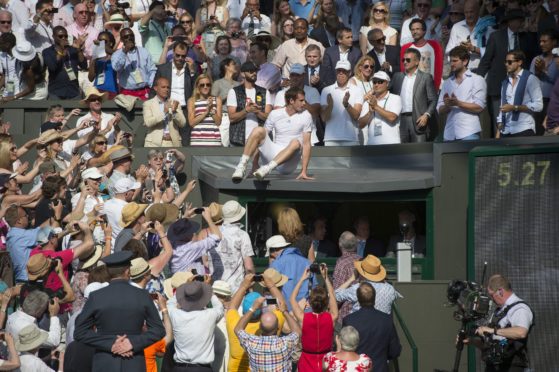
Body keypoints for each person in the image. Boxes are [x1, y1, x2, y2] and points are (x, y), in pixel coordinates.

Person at [74, 251, 165, 371]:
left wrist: (110, 344)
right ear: (128, 271)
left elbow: (80, 332)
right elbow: (158, 330)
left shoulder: (96, 296)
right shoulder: (142, 295)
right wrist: (132, 343)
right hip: (134, 361)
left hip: (105, 362)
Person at [475, 9, 539, 136]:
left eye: (521, 20)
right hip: (498, 85)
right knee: (499, 121)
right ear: (509, 22)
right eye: (516, 20)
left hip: (520, 87)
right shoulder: (496, 36)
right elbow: (486, 60)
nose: (519, 23)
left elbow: (532, 60)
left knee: (519, 120)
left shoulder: (527, 38)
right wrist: (476, 81)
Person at [231, 87, 313, 181]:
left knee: (296, 142)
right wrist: (255, 164)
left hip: (288, 164)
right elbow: (259, 140)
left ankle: (267, 168)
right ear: (291, 101)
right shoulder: (275, 114)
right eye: (301, 100)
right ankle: (241, 166)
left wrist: (304, 171)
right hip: (273, 154)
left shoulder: (306, 115)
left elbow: (306, 144)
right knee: (259, 130)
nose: (304, 103)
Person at [466, 274, 533, 372]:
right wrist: (473, 341)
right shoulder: (499, 311)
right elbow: (494, 343)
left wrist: (492, 330)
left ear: (500, 291)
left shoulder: (520, 308)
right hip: (494, 366)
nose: (492, 299)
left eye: (492, 295)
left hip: (511, 367)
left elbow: (521, 332)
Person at [225, 272, 288, 370]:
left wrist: (244, 286)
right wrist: (271, 285)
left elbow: (232, 307)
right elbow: (282, 304)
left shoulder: (234, 323)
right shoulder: (269, 324)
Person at [342, 283, 401, 372]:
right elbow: (395, 351)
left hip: (356, 368)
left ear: (358, 298)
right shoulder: (386, 320)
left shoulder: (349, 320)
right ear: (374, 298)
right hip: (380, 368)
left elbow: (344, 349)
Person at [234, 293, 301, 371]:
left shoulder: (251, 343)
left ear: (260, 327)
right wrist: (284, 311)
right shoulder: (285, 343)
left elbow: (238, 329)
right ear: (278, 327)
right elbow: (297, 332)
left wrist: (253, 308)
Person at [167, 281, 224, 371]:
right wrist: (211, 293)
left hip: (179, 368)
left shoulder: (175, 315)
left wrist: (185, 288)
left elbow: (169, 303)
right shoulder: (210, 315)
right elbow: (219, 307)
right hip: (202, 369)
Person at [290, 265, 337, 371]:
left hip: (306, 361)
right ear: (326, 304)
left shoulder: (303, 318)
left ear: (310, 303)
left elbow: (292, 299)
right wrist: (325, 278)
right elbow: (333, 295)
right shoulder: (332, 317)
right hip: (326, 362)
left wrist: (302, 279)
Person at [437, 46, 487, 141]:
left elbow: (479, 107)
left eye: (455, 61)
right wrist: (447, 106)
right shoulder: (447, 83)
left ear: (465, 61)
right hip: (449, 134)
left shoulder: (477, 80)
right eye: (450, 61)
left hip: (469, 132)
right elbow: (439, 110)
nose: (451, 64)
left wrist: (458, 103)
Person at [391, 48, 438, 143]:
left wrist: (426, 115)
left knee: (420, 153)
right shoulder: (397, 76)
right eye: (403, 60)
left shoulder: (426, 77)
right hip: (401, 121)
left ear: (417, 62)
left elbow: (433, 99)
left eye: (408, 60)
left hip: (418, 120)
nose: (404, 62)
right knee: (402, 154)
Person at [496, 50, 543, 138]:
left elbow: (539, 106)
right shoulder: (505, 81)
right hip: (506, 130)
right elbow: (502, 106)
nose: (506, 64)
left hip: (523, 129)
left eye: (509, 62)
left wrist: (515, 107)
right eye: (505, 62)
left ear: (519, 62)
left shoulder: (531, 79)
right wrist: (499, 126)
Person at [210, 200, 254, 292]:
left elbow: (206, 261)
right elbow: (249, 267)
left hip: (215, 287)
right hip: (235, 288)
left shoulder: (213, 234)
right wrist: (251, 284)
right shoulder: (242, 235)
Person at [335, 255, 401, 316]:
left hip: (359, 326)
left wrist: (351, 279)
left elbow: (335, 296)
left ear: (360, 272)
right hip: (382, 326)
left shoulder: (358, 288)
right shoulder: (390, 289)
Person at [227, 61, 272, 147]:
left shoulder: (264, 92)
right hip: (238, 139)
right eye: (250, 71)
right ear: (243, 74)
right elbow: (231, 118)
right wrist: (246, 110)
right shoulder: (234, 92)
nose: (254, 73)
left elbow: (269, 117)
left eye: (255, 71)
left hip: (260, 140)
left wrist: (257, 111)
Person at [320, 60, 363, 146]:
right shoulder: (326, 90)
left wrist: (346, 105)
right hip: (331, 139)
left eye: (344, 71)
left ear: (350, 73)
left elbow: (356, 116)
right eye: (339, 71)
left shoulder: (357, 90)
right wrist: (330, 106)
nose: (341, 73)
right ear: (335, 72)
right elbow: (324, 118)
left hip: (351, 138)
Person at [268, 234, 315, 310]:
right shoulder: (307, 262)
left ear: (274, 250)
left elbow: (270, 290)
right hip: (305, 311)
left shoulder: (276, 263)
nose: (272, 259)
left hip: (286, 312)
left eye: (271, 256)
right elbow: (314, 286)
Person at [42, 26, 87, 99]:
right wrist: (61, 50)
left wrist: (79, 49)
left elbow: (84, 66)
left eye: (65, 36)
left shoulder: (73, 50)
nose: (63, 38)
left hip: (74, 92)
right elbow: (53, 67)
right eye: (60, 36)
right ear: (53, 36)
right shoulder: (48, 51)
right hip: (56, 93)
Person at [358, 71, 402, 145]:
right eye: (374, 82)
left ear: (387, 83)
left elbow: (392, 117)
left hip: (391, 143)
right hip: (372, 144)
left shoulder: (395, 98)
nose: (376, 84)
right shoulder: (368, 101)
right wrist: (370, 113)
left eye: (380, 82)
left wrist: (376, 107)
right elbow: (360, 124)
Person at [112, 28, 157, 100]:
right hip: (127, 93)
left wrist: (150, 85)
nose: (129, 38)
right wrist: (124, 52)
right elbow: (116, 68)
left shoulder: (144, 51)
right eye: (126, 37)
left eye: (131, 36)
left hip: (145, 91)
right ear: (121, 40)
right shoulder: (117, 54)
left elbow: (152, 70)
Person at [445, 0, 491, 70]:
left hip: (481, 70)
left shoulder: (488, 27)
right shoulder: (456, 27)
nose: (469, 15)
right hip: (461, 71)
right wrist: (460, 49)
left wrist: (474, 49)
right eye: (466, 12)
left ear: (478, 11)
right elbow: (448, 52)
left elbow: (492, 53)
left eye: (471, 12)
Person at [400, 18, 444, 90]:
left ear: (424, 31)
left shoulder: (434, 45)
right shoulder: (405, 48)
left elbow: (439, 68)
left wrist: (435, 88)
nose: (415, 32)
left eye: (417, 29)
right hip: (411, 88)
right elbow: (403, 69)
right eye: (412, 29)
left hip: (430, 87)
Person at [144, 77, 187, 147]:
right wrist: (164, 113)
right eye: (163, 87)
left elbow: (182, 123)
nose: (166, 89)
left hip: (172, 143)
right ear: (155, 88)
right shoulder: (148, 104)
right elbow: (148, 122)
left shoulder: (174, 103)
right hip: (154, 144)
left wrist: (174, 112)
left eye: (168, 87)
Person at [530, 29, 559, 134]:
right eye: (540, 41)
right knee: (538, 131)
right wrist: (537, 72)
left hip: (553, 102)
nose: (541, 44)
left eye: (545, 41)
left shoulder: (558, 61)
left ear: (554, 42)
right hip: (538, 101)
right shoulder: (536, 59)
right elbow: (531, 82)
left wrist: (543, 70)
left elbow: (556, 81)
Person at [187, 74, 223, 146]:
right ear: (198, 87)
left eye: (208, 85)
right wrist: (206, 112)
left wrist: (211, 109)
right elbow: (191, 123)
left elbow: (218, 122)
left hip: (214, 141)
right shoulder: (192, 101)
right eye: (202, 85)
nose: (205, 87)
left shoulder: (217, 100)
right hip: (197, 140)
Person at [332, 231, 360, 324]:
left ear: (340, 244)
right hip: (361, 315)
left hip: (346, 316)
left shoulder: (342, 263)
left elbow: (337, 295)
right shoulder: (362, 260)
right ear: (356, 245)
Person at [88, 31, 119, 98]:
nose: (101, 43)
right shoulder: (96, 55)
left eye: (104, 41)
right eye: (99, 41)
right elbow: (90, 78)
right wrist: (93, 60)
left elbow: (117, 55)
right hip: (97, 91)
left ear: (111, 43)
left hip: (112, 91)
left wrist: (101, 46)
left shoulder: (116, 55)